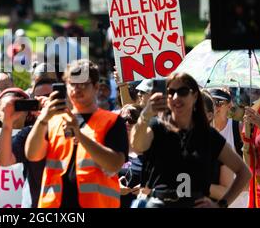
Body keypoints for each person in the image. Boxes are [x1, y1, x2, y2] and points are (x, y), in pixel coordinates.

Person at [131, 72, 251, 208]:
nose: (176, 97)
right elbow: (137, 145)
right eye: (171, 92)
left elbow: (244, 173)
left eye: (182, 92)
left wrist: (221, 205)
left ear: (194, 96)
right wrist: (145, 115)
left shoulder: (208, 136)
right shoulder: (157, 127)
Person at [25, 59, 128, 208]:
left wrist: (79, 135)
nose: (77, 89)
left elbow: (115, 164)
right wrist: (42, 119)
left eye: (83, 84)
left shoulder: (112, 121)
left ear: (96, 87)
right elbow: (32, 155)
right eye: (72, 84)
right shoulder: (53, 120)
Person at [0, 84, 50, 208]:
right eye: (38, 99)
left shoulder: (76, 129)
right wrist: (8, 123)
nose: (45, 103)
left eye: (49, 97)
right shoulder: (28, 134)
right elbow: (4, 159)